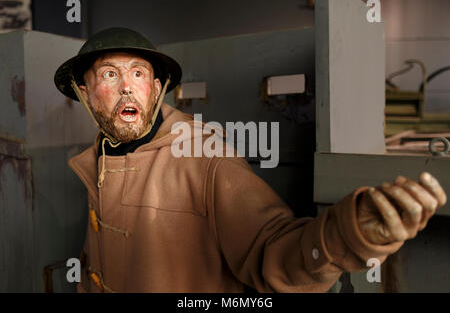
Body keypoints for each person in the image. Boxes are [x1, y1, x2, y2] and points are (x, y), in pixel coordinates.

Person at [54, 27, 447, 293]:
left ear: (156, 89)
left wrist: (347, 236)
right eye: (108, 75)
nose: (126, 86)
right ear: (86, 93)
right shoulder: (98, 160)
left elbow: (272, 250)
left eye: (138, 73)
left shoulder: (204, 156)